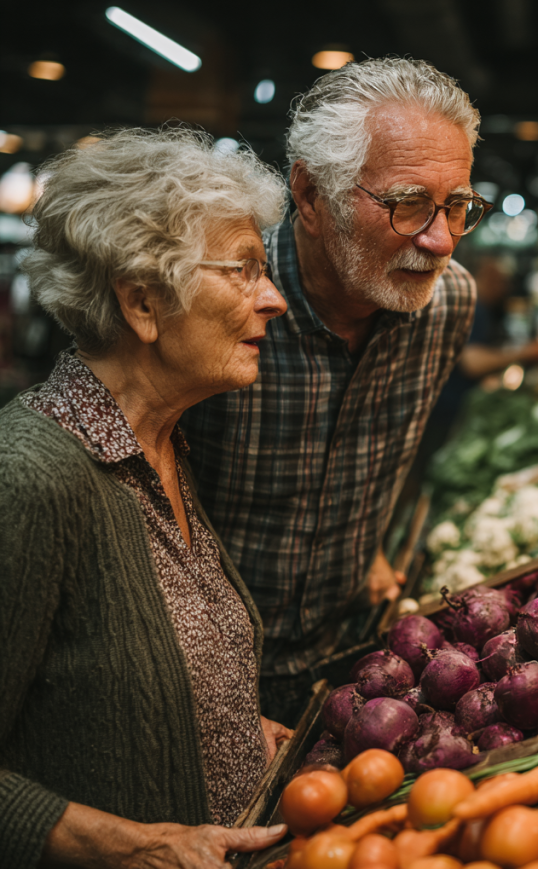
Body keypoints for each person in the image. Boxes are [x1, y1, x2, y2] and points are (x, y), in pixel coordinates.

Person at [0, 128, 294, 869]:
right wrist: (136, 846)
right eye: (244, 270)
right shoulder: (29, 476)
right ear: (141, 302)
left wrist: (225, 724)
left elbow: (105, 686)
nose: (275, 299)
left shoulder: (160, 445)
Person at [182, 57, 488, 726]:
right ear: (311, 196)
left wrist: (362, 539)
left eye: (458, 205)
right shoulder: (217, 301)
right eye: (407, 204)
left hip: (352, 658)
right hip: (198, 678)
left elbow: (374, 455)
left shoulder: (445, 305)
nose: (439, 241)